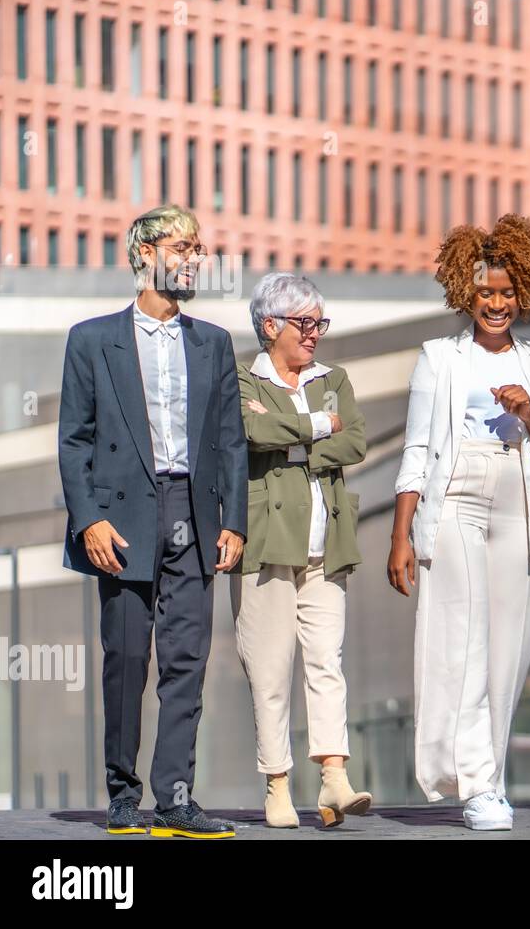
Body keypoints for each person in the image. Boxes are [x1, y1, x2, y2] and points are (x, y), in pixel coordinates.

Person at [57, 204, 246, 838]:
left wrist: (235, 521)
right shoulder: (91, 339)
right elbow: (74, 440)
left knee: (187, 658)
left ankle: (176, 796)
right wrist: (88, 521)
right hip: (122, 516)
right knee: (127, 656)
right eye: (182, 246)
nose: (194, 257)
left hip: (192, 510)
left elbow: (231, 440)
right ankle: (121, 793)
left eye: (198, 247)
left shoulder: (213, 342)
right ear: (145, 254)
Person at [387, 214, 530, 831]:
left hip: (519, 505)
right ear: (467, 295)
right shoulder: (439, 357)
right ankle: (477, 787)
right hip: (457, 501)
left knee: (509, 652)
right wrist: (402, 536)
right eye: (485, 292)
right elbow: (416, 452)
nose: (496, 303)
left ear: (526, 291)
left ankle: (487, 776)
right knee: (464, 644)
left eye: (507, 292)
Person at [230, 272, 372, 829]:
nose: (315, 334)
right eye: (305, 323)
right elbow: (248, 434)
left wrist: (291, 436)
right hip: (265, 542)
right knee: (269, 669)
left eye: (319, 323)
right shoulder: (242, 378)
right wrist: (318, 428)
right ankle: (278, 784)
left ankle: (334, 776)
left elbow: (355, 438)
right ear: (271, 326)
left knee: (326, 662)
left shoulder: (333, 378)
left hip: (326, 541)